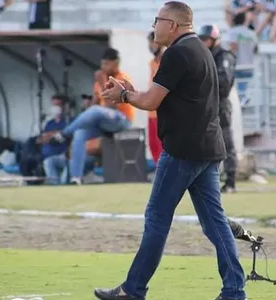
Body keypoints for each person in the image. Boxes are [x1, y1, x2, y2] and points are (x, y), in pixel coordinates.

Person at [95, 2, 246, 300]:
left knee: (157, 218)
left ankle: (133, 289)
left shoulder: (176, 53)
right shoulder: (199, 49)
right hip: (207, 148)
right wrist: (130, 90)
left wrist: (124, 95)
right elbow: (161, 98)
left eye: (158, 20)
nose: (154, 27)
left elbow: (151, 102)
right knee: (214, 223)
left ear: (173, 25)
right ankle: (234, 290)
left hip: (183, 150)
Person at [52, 48, 134, 185]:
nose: (103, 68)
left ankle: (64, 133)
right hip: (103, 121)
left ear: (116, 63)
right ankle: (76, 178)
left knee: (96, 111)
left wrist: (102, 83)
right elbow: (95, 105)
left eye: (107, 64)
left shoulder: (122, 79)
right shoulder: (99, 82)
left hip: (121, 119)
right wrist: (87, 108)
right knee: (80, 132)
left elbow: (110, 106)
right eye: (102, 64)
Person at [198, 24, 238, 193]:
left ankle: (230, 180)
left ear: (214, 40)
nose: (203, 42)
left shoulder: (223, 56)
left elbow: (224, 83)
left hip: (220, 105)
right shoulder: (203, 56)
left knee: (226, 142)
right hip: (205, 105)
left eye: (206, 39)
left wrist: (203, 83)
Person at [38, 95, 70, 185]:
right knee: (48, 161)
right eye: (54, 105)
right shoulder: (49, 123)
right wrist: (53, 134)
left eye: (58, 105)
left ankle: (64, 186)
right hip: (49, 156)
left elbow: (63, 135)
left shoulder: (68, 121)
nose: (55, 108)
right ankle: (55, 186)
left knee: (69, 165)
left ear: (64, 107)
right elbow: (42, 139)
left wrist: (51, 135)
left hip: (64, 156)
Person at [147, 31, 165, 165]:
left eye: (152, 42)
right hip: (151, 110)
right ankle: (157, 171)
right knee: (153, 143)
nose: (151, 45)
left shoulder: (166, 59)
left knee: (162, 145)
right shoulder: (152, 63)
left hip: (162, 110)